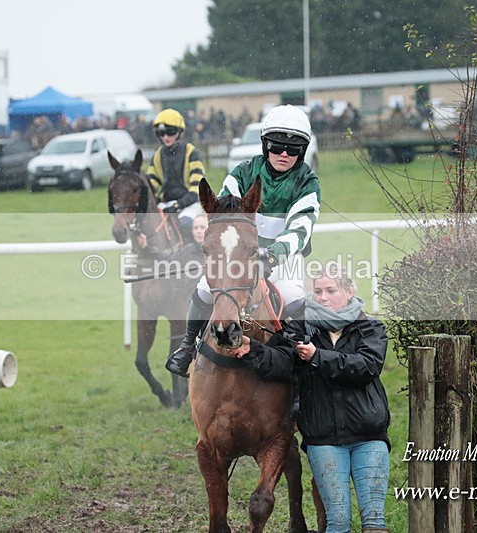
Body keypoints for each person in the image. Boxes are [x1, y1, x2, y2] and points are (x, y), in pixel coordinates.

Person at [230, 264, 391, 532]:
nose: (323, 297)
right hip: (324, 440)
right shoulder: (302, 329)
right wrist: (253, 349)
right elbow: (281, 360)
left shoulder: (371, 327)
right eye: (317, 291)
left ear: (349, 292)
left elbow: (366, 367)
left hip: (369, 437)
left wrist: (318, 357)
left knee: (374, 523)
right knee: (337, 521)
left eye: (331, 290)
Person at [166, 104, 320, 378]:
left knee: (293, 297)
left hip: (283, 258)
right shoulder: (242, 172)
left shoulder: (306, 181)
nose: (284, 153)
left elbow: (300, 228)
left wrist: (271, 256)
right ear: (265, 145)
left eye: (293, 148)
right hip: (237, 254)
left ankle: (301, 373)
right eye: (277, 146)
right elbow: (223, 216)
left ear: (303, 151)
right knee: (203, 289)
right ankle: (187, 347)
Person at [146, 108, 206, 245]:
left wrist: (178, 205)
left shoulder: (192, 153)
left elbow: (197, 190)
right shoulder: (157, 155)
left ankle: (194, 256)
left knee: (185, 224)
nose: (165, 137)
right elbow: (151, 185)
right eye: (161, 133)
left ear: (179, 132)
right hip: (166, 203)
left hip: (189, 205)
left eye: (170, 132)